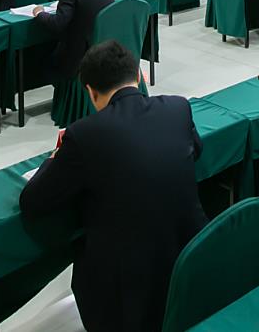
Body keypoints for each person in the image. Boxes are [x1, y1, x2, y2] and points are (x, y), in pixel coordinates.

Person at [20, 41, 207, 332]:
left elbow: (32, 202)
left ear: (91, 92)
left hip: (126, 288)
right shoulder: (177, 107)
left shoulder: (84, 134)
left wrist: (54, 158)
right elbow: (196, 150)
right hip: (190, 257)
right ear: (139, 76)